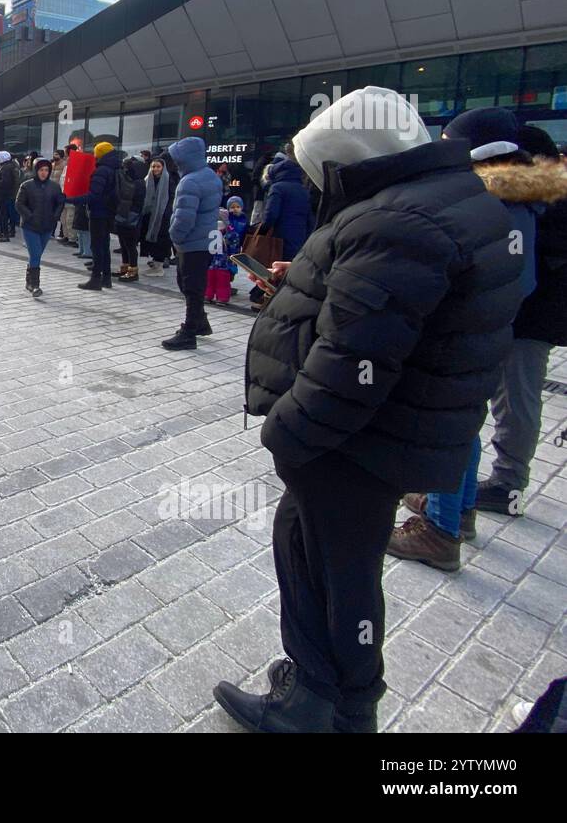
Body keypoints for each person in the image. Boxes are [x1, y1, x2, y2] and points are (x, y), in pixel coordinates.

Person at [213, 88, 523, 735]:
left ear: (352, 162)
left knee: (335, 570)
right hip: (390, 435)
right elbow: (387, 305)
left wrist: (286, 432)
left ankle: (330, 705)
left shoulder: (400, 223)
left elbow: (354, 363)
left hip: (354, 445)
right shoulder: (445, 201)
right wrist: (318, 273)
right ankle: (327, 689)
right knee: (318, 555)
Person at [388, 109, 567, 571]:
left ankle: (441, 530)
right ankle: (458, 512)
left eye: (450, 139)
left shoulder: (491, 193)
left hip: (471, 326)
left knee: (453, 421)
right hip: (491, 323)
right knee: (464, 419)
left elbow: (479, 266)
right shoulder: (517, 190)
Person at [474, 124, 567, 518]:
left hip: (530, 316)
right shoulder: (544, 195)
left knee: (516, 398)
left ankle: (508, 483)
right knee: (510, 397)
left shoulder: (544, 199)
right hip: (529, 312)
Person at [161, 137, 221, 349]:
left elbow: (184, 217)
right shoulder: (210, 176)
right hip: (207, 240)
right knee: (194, 284)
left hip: (192, 242)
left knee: (190, 285)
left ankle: (189, 332)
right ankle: (200, 323)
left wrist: (175, 237)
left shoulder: (190, 181)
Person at [68, 141, 121, 290]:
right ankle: (106, 278)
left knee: (97, 246)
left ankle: (96, 279)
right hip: (109, 211)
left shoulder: (102, 170)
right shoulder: (116, 167)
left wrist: (71, 199)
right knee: (104, 245)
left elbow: (94, 195)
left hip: (99, 212)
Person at [15, 157, 65, 297]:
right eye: (41, 170)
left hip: (47, 226)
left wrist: (55, 216)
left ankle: (28, 279)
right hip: (30, 226)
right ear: (36, 170)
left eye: (46, 170)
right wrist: (29, 216)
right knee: (36, 254)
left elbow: (59, 203)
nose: (44, 173)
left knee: (36, 255)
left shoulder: (54, 187)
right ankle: (34, 285)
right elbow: (19, 204)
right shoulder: (26, 185)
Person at [205, 196, 248, 303]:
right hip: (213, 261)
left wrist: (232, 258)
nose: (235, 209)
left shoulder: (232, 231)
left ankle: (221, 297)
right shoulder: (212, 231)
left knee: (222, 279)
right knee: (210, 278)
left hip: (224, 261)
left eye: (238, 207)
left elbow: (234, 246)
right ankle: (208, 295)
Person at [114, 155, 147, 282]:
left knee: (130, 245)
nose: (125, 170)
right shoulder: (128, 180)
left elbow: (136, 201)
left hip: (132, 217)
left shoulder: (138, 183)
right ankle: (125, 266)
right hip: (123, 215)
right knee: (123, 243)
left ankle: (133, 270)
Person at [140, 157, 174, 273]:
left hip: (162, 215)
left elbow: (171, 198)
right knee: (150, 238)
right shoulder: (147, 179)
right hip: (149, 214)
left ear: (163, 168)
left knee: (161, 239)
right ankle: (155, 262)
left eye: (158, 166)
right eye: (153, 166)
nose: (155, 169)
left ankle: (159, 265)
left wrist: (166, 212)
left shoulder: (168, 180)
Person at [0, 150, 21, 241]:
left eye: (0, 156)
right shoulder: (4, 166)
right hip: (2, 194)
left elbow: (6, 182)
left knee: (4, 215)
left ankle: (5, 234)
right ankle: (2, 232)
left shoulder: (7, 167)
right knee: (1, 214)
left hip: (4, 194)